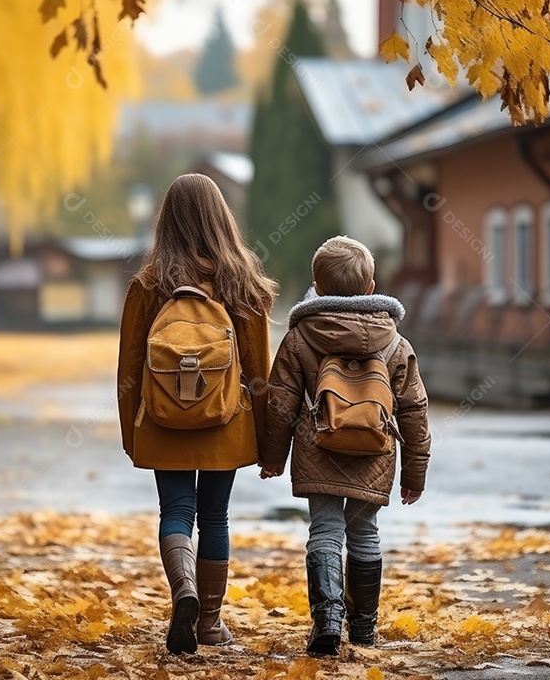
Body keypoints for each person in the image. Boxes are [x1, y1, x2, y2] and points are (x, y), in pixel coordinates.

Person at [117, 173, 276, 655]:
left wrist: (133, 432)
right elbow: (260, 376)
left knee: (177, 511)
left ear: (166, 222)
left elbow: (128, 371)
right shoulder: (240, 282)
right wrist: (270, 442)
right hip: (226, 423)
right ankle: (209, 621)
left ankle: (182, 588)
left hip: (164, 422)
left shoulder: (149, 285)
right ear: (221, 219)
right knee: (215, 515)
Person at [258, 236, 431, 655]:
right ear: (371, 288)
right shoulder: (395, 343)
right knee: (366, 533)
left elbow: (281, 402)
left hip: (320, 450)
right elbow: (414, 411)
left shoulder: (301, 337)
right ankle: (365, 628)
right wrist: (414, 473)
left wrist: (273, 457)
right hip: (375, 453)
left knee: (324, 532)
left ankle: (328, 621)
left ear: (316, 287)